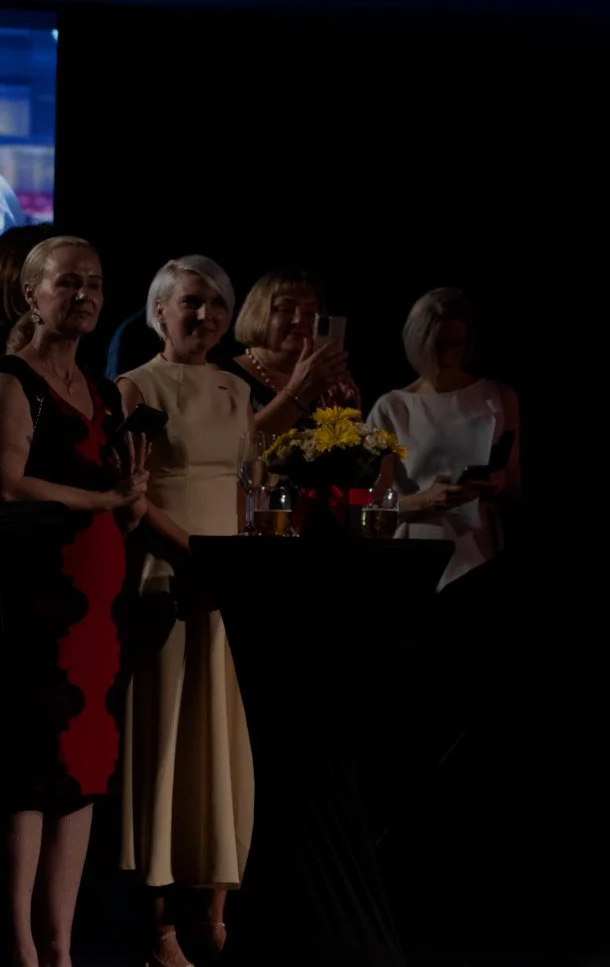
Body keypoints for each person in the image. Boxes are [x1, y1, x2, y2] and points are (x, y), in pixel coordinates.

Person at [0, 236, 149, 967]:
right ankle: (20, 944)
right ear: (32, 294)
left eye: (94, 282)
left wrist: (127, 504)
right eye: (67, 282)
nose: (84, 294)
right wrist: (102, 498)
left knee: (83, 768)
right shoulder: (11, 378)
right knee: (31, 769)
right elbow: (8, 483)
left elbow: (120, 502)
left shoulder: (107, 388)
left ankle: (60, 947)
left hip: (100, 600)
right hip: (37, 596)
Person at [114, 258, 256, 967]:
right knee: (167, 733)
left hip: (230, 580)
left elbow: (249, 485)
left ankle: (216, 902)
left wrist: (240, 561)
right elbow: (132, 496)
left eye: (217, 307)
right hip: (167, 570)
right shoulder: (134, 386)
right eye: (192, 303)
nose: (205, 317)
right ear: (161, 309)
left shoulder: (237, 388)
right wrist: (199, 554)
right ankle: (159, 919)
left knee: (217, 733)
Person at [367, 289, 521, 592]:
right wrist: (426, 499)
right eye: (439, 344)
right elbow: (370, 511)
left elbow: (516, 488)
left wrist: (499, 483)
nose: (449, 355)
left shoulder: (497, 397)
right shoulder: (392, 408)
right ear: (419, 343)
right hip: (417, 556)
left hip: (480, 552)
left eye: (457, 344)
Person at [221, 267, 355, 430]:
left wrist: (347, 418)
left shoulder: (321, 385)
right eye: (287, 309)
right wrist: (298, 393)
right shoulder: (223, 378)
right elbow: (234, 447)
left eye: (310, 313)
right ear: (258, 314)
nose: (299, 320)